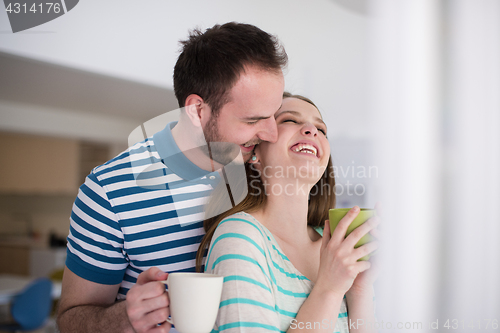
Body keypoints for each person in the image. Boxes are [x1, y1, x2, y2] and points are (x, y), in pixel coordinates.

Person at [56, 22, 287, 333]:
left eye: (274, 113)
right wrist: (125, 318)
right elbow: (71, 320)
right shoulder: (108, 191)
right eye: (253, 120)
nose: (271, 133)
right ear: (196, 110)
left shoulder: (265, 169)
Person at [198, 93, 379, 332]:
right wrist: (329, 289)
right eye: (290, 120)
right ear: (254, 151)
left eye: (321, 129)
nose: (311, 130)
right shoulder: (239, 237)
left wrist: (359, 291)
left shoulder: (337, 249)